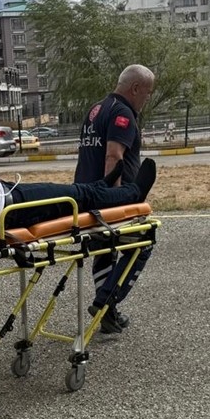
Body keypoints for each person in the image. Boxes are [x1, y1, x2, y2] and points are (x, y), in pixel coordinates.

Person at [74, 64, 156, 334]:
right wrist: (115, 200)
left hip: (85, 196)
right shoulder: (123, 113)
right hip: (107, 200)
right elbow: (113, 156)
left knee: (104, 248)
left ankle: (108, 314)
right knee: (142, 243)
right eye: (147, 93)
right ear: (135, 88)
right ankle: (106, 300)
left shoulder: (96, 109)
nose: (147, 98)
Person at [0, 151, 156, 230]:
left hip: (4, 194)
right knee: (79, 198)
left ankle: (101, 185)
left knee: (74, 191)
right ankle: (133, 193)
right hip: (11, 208)